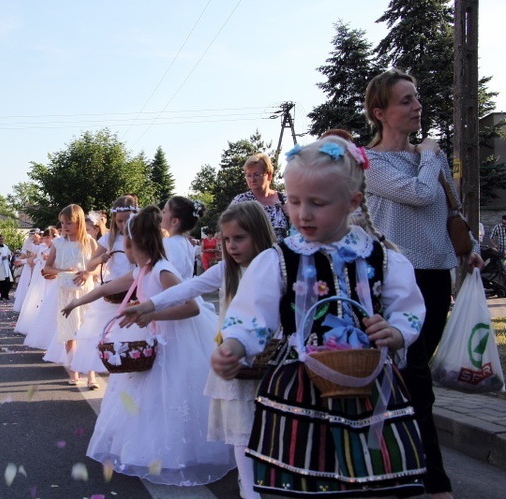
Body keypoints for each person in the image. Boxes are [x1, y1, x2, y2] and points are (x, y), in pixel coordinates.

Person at [212, 136, 428, 497]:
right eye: (294, 201)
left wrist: (395, 332)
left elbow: (407, 305)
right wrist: (234, 344)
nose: (303, 214)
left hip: (369, 383)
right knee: (306, 472)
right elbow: (253, 311)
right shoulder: (280, 258)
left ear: (353, 202)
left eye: (317, 203)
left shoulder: (379, 255)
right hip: (301, 384)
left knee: (370, 475)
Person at [364, 69, 482, 499]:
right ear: (380, 113)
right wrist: (432, 153)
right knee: (413, 375)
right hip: (394, 280)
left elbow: (446, 204)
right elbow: (419, 195)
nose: (417, 107)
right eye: (406, 101)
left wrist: (466, 245)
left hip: (435, 277)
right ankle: (433, 480)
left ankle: (400, 466)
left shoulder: (428, 156)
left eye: (417, 98)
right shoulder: (370, 161)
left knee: (412, 376)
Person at [61, 205, 234, 485]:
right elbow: (107, 287)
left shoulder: (162, 271)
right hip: (153, 338)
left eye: (125, 245)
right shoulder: (143, 269)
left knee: (173, 395)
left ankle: (178, 453)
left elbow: (192, 307)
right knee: (147, 398)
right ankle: (148, 449)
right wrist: (77, 302)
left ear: (132, 244)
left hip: (175, 340)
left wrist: (151, 313)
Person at [120, 201, 275, 499]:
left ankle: (268, 473)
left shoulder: (275, 266)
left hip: (271, 356)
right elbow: (187, 289)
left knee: (265, 418)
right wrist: (150, 305)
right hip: (236, 358)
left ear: (258, 233)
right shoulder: (226, 270)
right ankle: (249, 487)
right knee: (240, 423)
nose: (231, 246)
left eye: (239, 238)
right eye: (226, 239)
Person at [71, 195, 139, 389]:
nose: (124, 224)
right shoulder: (109, 238)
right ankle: (110, 371)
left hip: (136, 289)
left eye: (128, 220)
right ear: (114, 220)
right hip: (114, 290)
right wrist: (101, 260)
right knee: (107, 333)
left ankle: (131, 373)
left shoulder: (141, 236)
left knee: (132, 334)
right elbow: (90, 262)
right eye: (120, 221)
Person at [41, 204, 98, 384]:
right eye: (62, 223)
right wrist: (63, 270)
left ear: (79, 222)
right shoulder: (58, 243)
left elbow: (101, 267)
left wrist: (88, 273)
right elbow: (47, 267)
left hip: (86, 291)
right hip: (65, 292)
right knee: (69, 333)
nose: (64, 227)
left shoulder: (90, 242)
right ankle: (74, 371)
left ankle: (91, 374)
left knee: (87, 332)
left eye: (69, 223)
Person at [230, 152, 290, 241]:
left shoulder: (285, 200)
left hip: (282, 253)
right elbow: (230, 230)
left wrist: (294, 214)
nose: (252, 179)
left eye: (257, 174)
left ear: (269, 175)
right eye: (248, 175)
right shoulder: (240, 202)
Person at [18, 227, 58, 337]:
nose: (46, 240)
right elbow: (28, 246)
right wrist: (32, 237)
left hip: (50, 276)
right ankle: (34, 322)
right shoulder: (41, 247)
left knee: (47, 297)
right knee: (37, 298)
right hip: (39, 275)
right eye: (44, 238)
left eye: (48, 237)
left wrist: (49, 257)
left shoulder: (57, 247)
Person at [161, 196, 202, 281]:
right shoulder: (185, 242)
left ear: (174, 221)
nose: (161, 213)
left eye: (164, 212)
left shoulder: (171, 243)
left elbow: (174, 275)